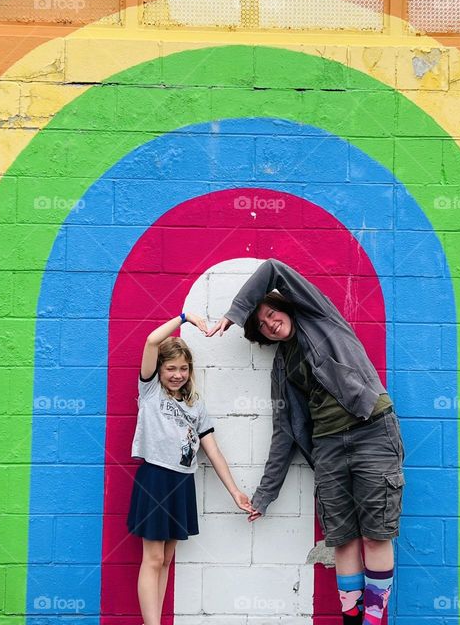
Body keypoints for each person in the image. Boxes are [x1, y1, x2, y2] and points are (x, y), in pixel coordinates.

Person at [208, 259, 404, 625]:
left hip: (372, 431)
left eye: (270, 313)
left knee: (376, 536)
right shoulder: (282, 367)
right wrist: (264, 497)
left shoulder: (318, 314)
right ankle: (352, 617)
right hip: (328, 448)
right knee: (342, 539)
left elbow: (272, 268)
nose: (269, 323)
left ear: (282, 306)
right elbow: (284, 433)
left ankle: (374, 620)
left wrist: (235, 314)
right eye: (262, 326)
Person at [129, 311, 253, 625]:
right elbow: (151, 340)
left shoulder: (195, 404)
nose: (177, 374)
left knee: (167, 559)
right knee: (153, 557)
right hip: (156, 478)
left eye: (183, 368)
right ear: (159, 369)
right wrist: (185, 318)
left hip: (181, 483)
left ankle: (152, 621)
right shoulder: (150, 391)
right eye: (170, 368)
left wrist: (235, 491)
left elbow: (213, 452)